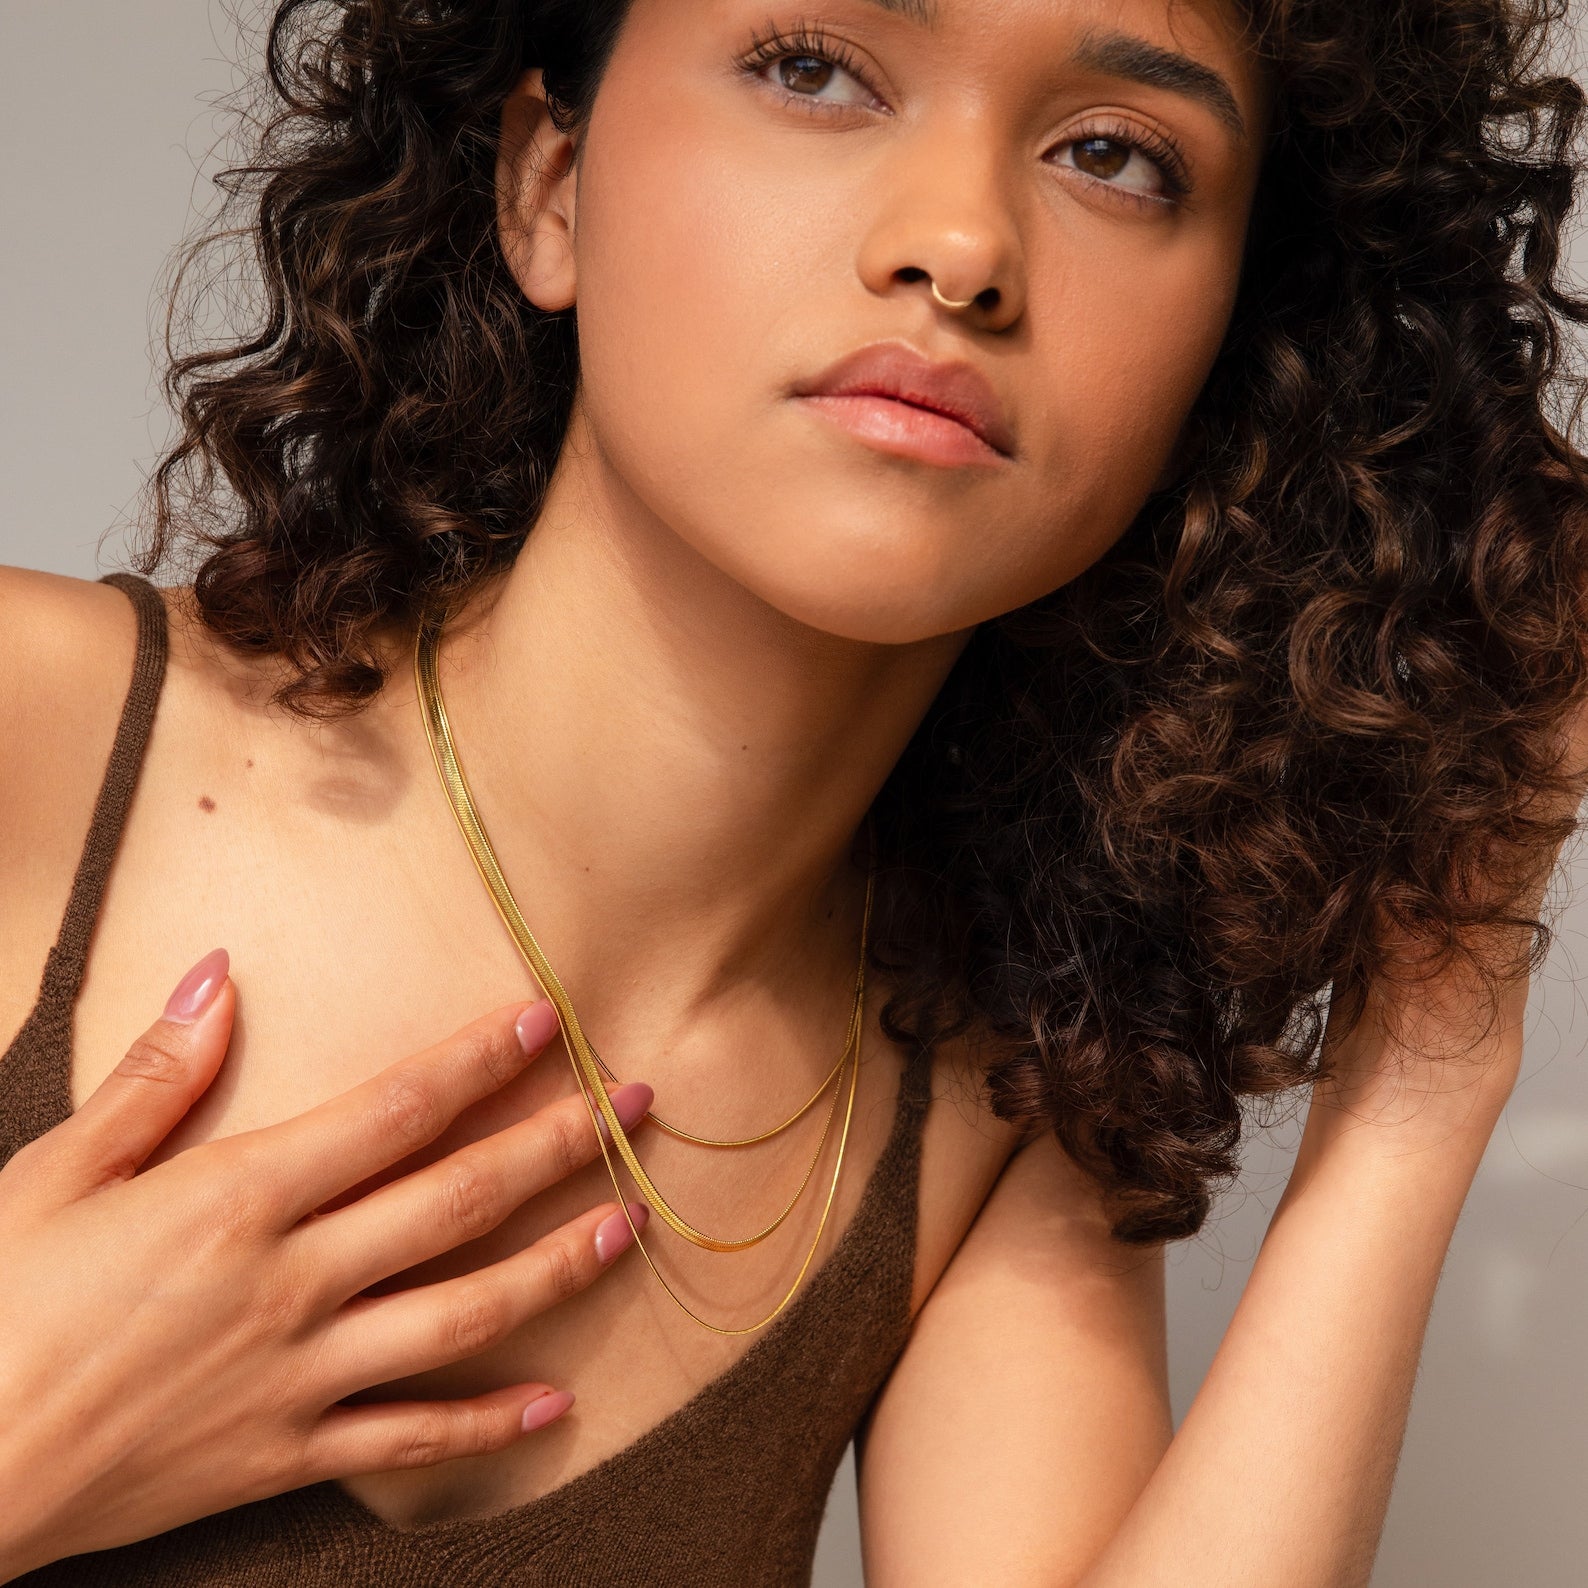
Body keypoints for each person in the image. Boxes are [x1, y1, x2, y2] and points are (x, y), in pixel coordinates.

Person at [2, 0, 1586, 1582]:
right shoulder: (36, 734)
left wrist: (1425, 1070)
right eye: (813, 69)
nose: (962, 245)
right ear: (552, 189)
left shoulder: (990, 1116)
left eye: (1115, 155)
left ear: (1233, 351)